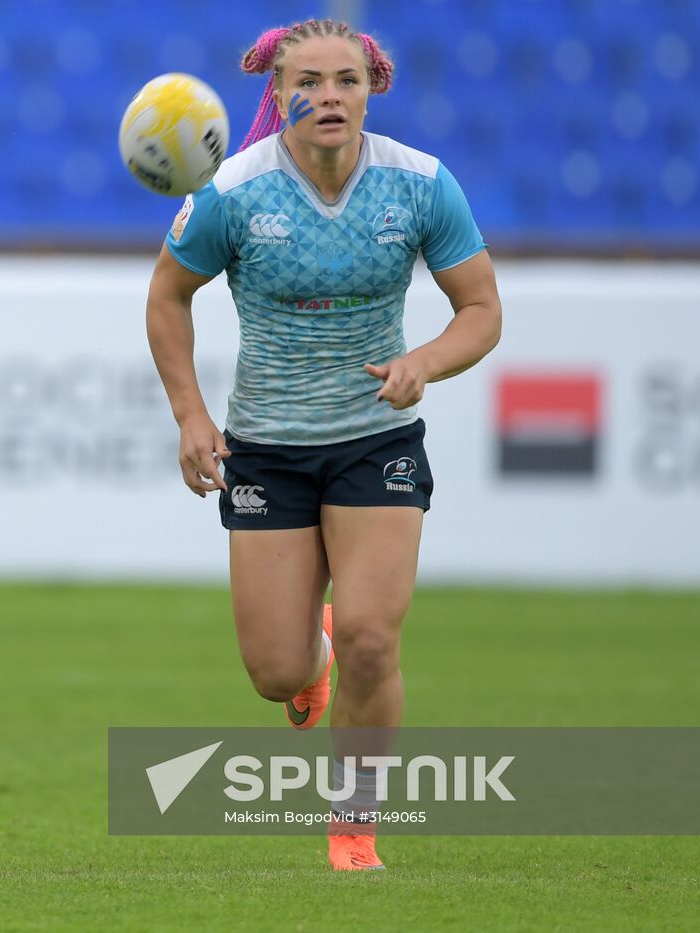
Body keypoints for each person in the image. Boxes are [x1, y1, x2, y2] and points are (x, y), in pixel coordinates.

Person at [145, 19, 501, 871]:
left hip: (376, 439)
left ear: (372, 90)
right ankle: (315, 658)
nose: (329, 96)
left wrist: (423, 363)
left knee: (376, 639)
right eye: (308, 81)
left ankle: (354, 825)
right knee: (275, 672)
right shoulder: (234, 191)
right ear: (278, 93)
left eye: (347, 80)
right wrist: (192, 415)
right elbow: (166, 296)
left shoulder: (421, 184)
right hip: (267, 448)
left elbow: (482, 309)